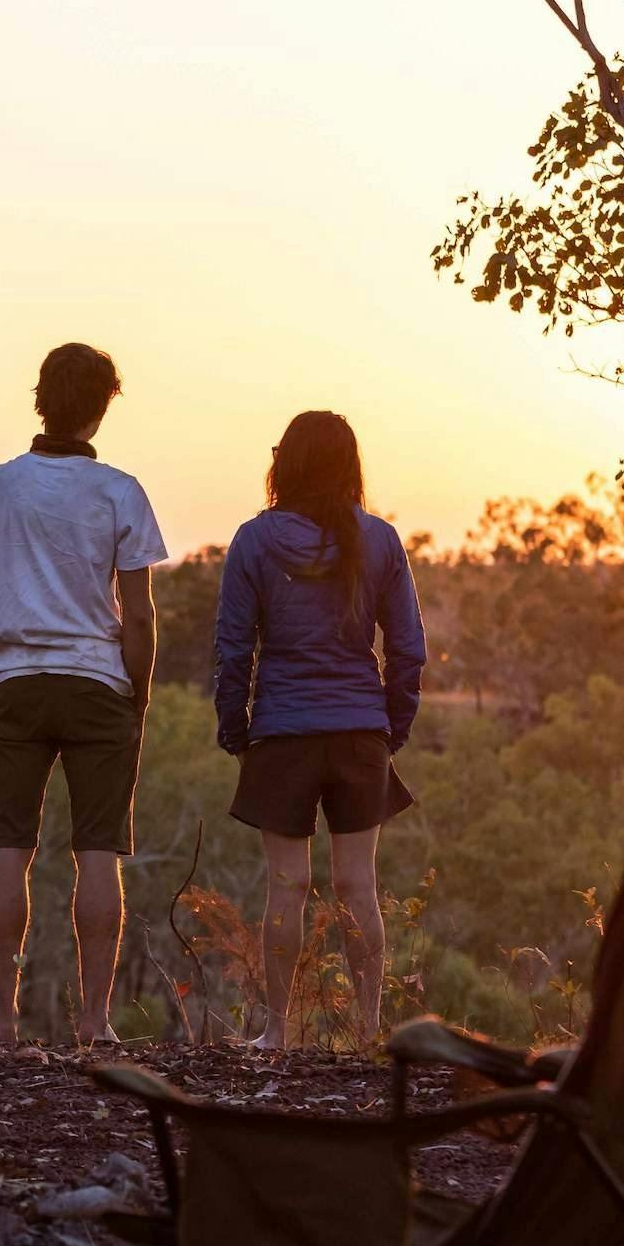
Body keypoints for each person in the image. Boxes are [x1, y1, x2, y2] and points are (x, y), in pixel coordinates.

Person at [0, 343, 169, 1045]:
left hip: (16, 683)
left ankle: (1, 1022)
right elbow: (137, 615)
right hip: (99, 686)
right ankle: (95, 1022)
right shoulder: (120, 492)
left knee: (8, 847)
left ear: (40, 395)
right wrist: (138, 696)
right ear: (104, 405)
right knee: (97, 851)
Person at [211, 410, 426, 1049]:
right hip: (359, 729)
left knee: (287, 887)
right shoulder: (381, 540)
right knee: (358, 883)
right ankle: (366, 1032)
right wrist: (392, 728)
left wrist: (236, 730)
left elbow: (231, 651)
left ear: (287, 463)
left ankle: (277, 1032)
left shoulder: (253, 540)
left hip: (282, 731)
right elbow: (409, 649)